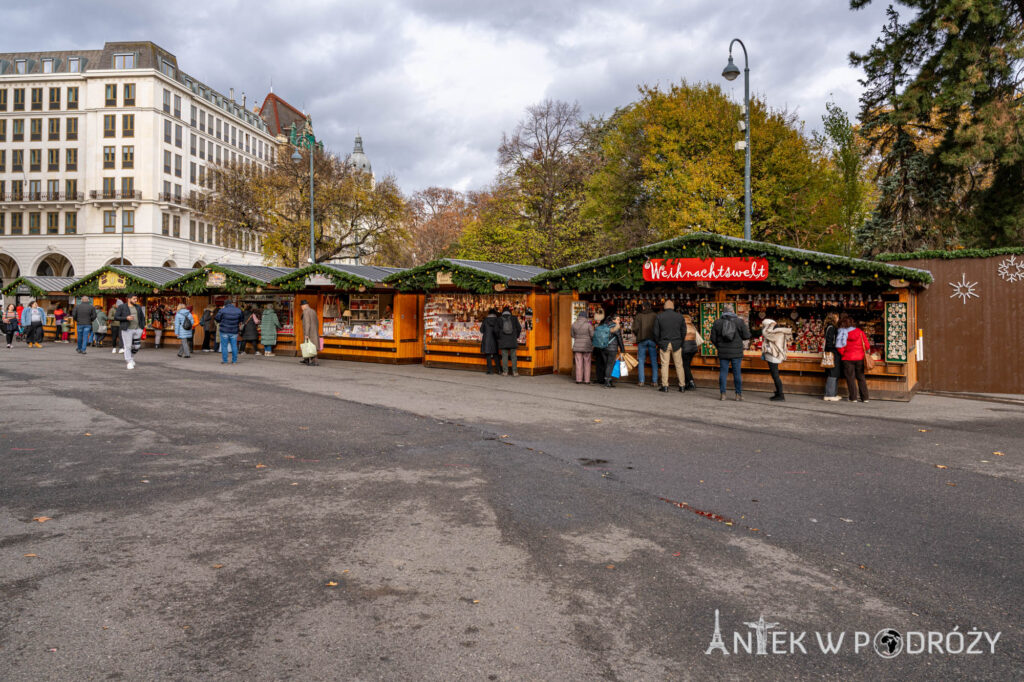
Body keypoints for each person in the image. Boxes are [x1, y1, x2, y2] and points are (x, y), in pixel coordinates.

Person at [710, 303, 751, 401]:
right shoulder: (739, 322)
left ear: (723, 312)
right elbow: (746, 336)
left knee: (723, 373)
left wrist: (719, 346)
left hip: (723, 352)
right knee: (737, 373)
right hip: (736, 352)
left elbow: (712, 338)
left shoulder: (717, 322)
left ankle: (723, 394)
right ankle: (738, 394)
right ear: (733, 311)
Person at [653, 300, 687, 393]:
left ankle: (665, 386)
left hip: (664, 343)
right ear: (673, 307)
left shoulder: (659, 316)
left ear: (664, 307)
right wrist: (681, 341)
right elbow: (684, 331)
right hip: (676, 343)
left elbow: (656, 332)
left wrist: (659, 342)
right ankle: (682, 386)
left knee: (664, 365)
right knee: (679, 365)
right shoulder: (679, 317)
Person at [836, 315, 870, 402]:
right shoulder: (860, 332)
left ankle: (853, 398)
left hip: (847, 358)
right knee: (861, 377)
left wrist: (844, 353)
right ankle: (865, 398)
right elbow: (866, 345)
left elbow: (840, 347)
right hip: (860, 358)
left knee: (850, 379)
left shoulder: (842, 333)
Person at [760, 318, 793, 402]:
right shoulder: (777, 331)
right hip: (774, 356)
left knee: (775, 376)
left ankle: (780, 395)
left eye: (765, 325)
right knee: (775, 375)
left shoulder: (775, 333)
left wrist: (770, 325)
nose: (764, 327)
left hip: (774, 356)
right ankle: (778, 393)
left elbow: (765, 333)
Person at [115, 295, 146, 370]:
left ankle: (131, 357)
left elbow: (142, 317)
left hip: (138, 329)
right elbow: (116, 317)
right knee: (128, 346)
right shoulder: (122, 307)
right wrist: (126, 318)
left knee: (137, 346)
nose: (136, 300)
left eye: (136, 299)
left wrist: (142, 327)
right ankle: (128, 362)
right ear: (129, 299)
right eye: (134, 299)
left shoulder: (138, 307)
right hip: (127, 329)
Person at [632, 302, 659, 387]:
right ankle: (654, 381)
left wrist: (638, 334)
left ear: (643, 307)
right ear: (650, 307)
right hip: (652, 340)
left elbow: (635, 328)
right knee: (654, 361)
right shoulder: (655, 315)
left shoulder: (639, 315)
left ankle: (641, 381)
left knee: (641, 361)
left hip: (642, 340)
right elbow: (658, 328)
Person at [214, 299, 243, 364]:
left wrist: (220, 321)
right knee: (234, 345)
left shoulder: (222, 310)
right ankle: (234, 361)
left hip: (224, 330)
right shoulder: (238, 310)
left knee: (224, 346)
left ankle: (225, 361)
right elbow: (241, 319)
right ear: (232, 303)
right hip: (234, 330)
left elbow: (217, 318)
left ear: (225, 304)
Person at [496, 306, 522, 376]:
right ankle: (515, 372)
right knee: (513, 356)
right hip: (512, 340)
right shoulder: (514, 318)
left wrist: (499, 337)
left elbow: (496, 330)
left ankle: (505, 372)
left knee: (504, 356)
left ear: (502, 312)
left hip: (503, 340)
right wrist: (516, 336)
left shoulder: (499, 319)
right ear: (510, 312)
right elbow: (519, 328)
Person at [822, 313, 842, 401]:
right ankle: (829, 394)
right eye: (837, 317)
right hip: (832, 353)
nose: (838, 318)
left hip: (832, 352)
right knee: (832, 372)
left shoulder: (830, 327)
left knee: (834, 372)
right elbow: (830, 342)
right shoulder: (831, 328)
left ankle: (833, 393)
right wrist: (835, 348)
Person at [570, 310, 594, 384]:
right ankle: (587, 380)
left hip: (577, 345)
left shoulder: (574, 324)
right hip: (587, 346)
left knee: (578, 363)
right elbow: (592, 335)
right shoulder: (588, 325)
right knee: (587, 363)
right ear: (586, 317)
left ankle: (578, 380)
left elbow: (572, 335)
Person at [681, 313, 701, 391]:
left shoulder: (683, 326)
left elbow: (681, 336)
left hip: (686, 348)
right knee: (687, 365)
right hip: (693, 348)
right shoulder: (692, 326)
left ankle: (691, 382)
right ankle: (688, 383)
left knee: (684, 366)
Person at [479, 308, 500, 375]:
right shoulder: (497, 320)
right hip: (495, 339)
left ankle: (490, 370)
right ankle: (499, 370)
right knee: (496, 355)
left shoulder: (485, 320)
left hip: (487, 339)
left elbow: (481, 330)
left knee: (488, 355)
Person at [299, 299, 320, 366]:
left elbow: (307, 323)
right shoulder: (313, 311)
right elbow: (317, 322)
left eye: (301, 306)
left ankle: (314, 361)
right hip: (314, 331)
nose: (301, 307)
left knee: (311, 346)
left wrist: (307, 334)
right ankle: (306, 359)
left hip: (309, 332)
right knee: (310, 345)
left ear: (304, 306)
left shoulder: (306, 311)